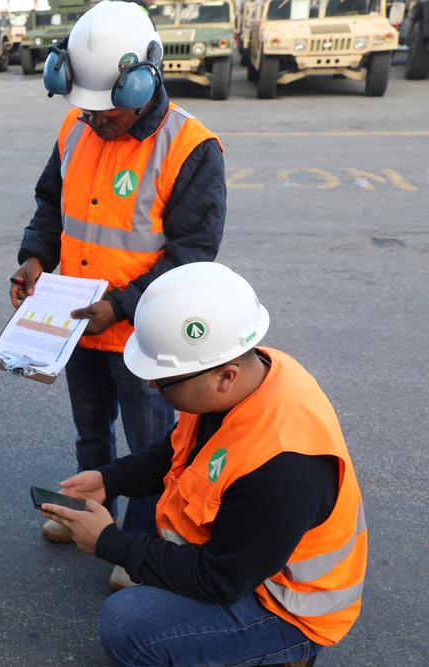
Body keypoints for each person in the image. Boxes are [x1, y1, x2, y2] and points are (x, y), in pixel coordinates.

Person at [39, 262, 367, 667]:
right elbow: (175, 450)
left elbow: (220, 579)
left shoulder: (284, 468)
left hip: (288, 607)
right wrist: (111, 479)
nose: (153, 387)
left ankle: (284, 649)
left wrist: (111, 543)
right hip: (248, 563)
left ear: (225, 376)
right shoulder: (243, 373)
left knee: (127, 624)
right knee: (141, 601)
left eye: (164, 379)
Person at [9, 0, 226, 583]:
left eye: (107, 111)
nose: (94, 121)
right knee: (90, 434)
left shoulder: (190, 148)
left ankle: (136, 542)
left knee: (151, 449)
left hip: (143, 337)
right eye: (86, 109)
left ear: (143, 79)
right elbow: (50, 207)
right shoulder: (75, 125)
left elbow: (192, 257)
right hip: (78, 324)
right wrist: (34, 258)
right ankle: (89, 514)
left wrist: (122, 306)